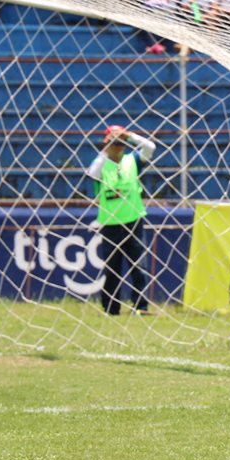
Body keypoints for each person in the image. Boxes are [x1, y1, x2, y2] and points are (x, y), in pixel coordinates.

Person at [86, 125, 156, 316]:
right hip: (110, 224)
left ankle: (140, 307)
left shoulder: (132, 160)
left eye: (120, 142)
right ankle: (111, 309)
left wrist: (130, 135)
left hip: (133, 221)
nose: (118, 146)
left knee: (139, 266)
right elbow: (92, 173)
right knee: (112, 269)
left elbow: (150, 147)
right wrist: (106, 148)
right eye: (114, 142)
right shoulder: (101, 164)